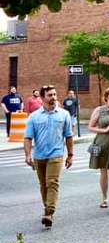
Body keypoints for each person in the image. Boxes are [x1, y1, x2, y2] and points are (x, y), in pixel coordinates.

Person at [23, 85, 73, 228]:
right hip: (39, 156)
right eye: (50, 95)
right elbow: (28, 138)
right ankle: (47, 209)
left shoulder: (64, 114)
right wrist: (28, 155)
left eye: (55, 94)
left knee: (52, 182)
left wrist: (70, 155)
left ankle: (49, 212)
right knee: (43, 185)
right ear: (43, 98)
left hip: (56, 154)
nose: (53, 98)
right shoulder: (34, 116)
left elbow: (68, 136)